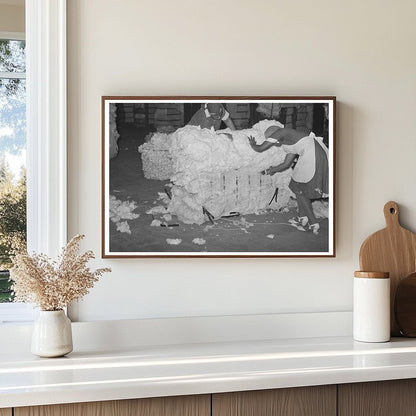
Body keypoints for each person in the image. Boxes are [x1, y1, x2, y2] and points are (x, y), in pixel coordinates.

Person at [248, 125, 329, 234]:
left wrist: (253, 145)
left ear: (275, 134)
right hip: (312, 154)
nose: (275, 143)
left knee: (301, 190)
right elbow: (286, 164)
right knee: (296, 186)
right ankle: (302, 218)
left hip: (314, 155)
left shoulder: (282, 131)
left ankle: (313, 222)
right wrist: (271, 170)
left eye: (271, 139)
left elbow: (261, 148)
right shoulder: (289, 142)